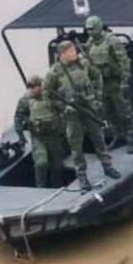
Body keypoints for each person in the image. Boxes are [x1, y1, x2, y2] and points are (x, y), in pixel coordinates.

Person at [45, 41, 121, 191]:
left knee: (99, 139)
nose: (75, 53)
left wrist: (98, 96)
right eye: (71, 51)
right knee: (76, 147)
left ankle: (108, 166)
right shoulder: (54, 73)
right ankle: (82, 177)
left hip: (88, 108)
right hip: (72, 115)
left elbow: (97, 75)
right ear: (63, 54)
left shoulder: (84, 64)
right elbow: (48, 97)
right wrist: (64, 107)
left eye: (74, 50)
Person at [84, 15, 133, 154]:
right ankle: (118, 135)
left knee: (124, 110)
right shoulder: (89, 43)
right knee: (108, 111)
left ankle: (132, 136)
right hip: (101, 83)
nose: (89, 32)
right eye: (88, 30)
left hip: (115, 81)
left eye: (92, 29)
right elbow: (89, 63)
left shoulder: (112, 41)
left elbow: (124, 61)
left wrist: (125, 81)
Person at [13, 75, 66, 188]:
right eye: (30, 87)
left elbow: (63, 110)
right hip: (38, 137)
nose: (31, 90)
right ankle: (40, 187)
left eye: (34, 87)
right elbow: (18, 118)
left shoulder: (51, 96)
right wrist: (21, 135)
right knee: (41, 163)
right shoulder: (25, 101)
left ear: (40, 86)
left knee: (57, 165)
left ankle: (57, 186)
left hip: (54, 136)